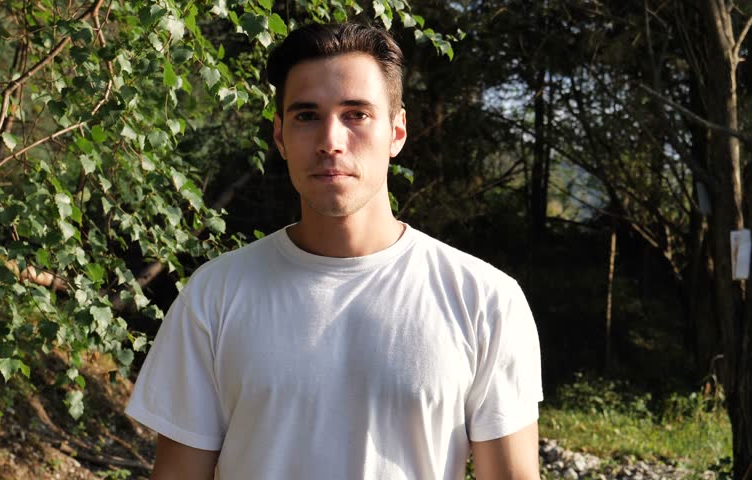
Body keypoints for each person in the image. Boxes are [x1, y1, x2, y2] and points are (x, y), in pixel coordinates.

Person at [126, 22, 543, 480]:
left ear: (397, 131)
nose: (330, 140)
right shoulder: (215, 295)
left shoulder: (484, 301)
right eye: (307, 115)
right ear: (280, 136)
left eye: (356, 114)